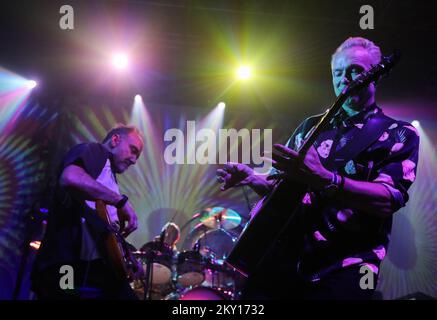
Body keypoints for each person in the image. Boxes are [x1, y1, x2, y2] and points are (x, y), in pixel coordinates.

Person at [217, 37, 420, 300]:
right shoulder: (311, 127)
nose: (345, 78)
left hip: (346, 266)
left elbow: (388, 199)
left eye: (355, 70)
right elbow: (284, 192)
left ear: (376, 76)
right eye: (338, 72)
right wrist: (255, 179)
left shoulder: (398, 133)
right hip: (285, 259)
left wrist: (325, 178)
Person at [31, 124, 144, 299]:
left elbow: (103, 227)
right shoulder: (95, 151)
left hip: (92, 271)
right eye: (133, 150)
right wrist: (120, 201)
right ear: (115, 140)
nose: (134, 160)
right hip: (66, 266)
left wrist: (127, 256)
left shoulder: (109, 177)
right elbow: (70, 177)